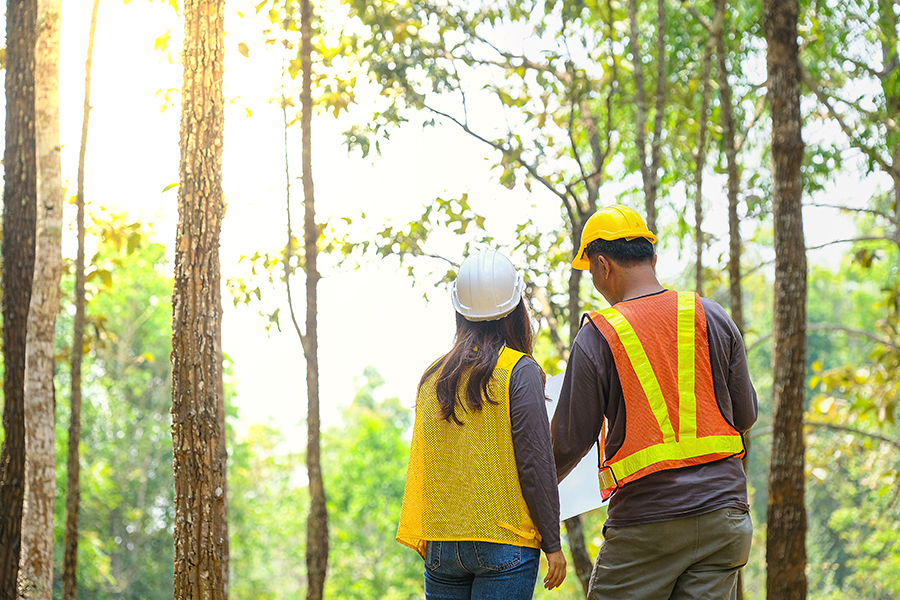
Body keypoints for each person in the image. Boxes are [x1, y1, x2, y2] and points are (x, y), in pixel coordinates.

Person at [551, 205, 757, 600]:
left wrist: (525, 497)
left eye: (591, 272)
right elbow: (745, 415)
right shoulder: (710, 314)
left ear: (603, 265)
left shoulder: (599, 335)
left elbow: (567, 444)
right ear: (653, 258)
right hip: (725, 519)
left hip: (648, 523)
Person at [397, 249, 567, 600]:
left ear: (460, 311)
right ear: (516, 308)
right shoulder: (518, 372)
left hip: (443, 543)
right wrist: (552, 543)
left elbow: (430, 467)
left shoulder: (433, 377)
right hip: (505, 543)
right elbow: (535, 464)